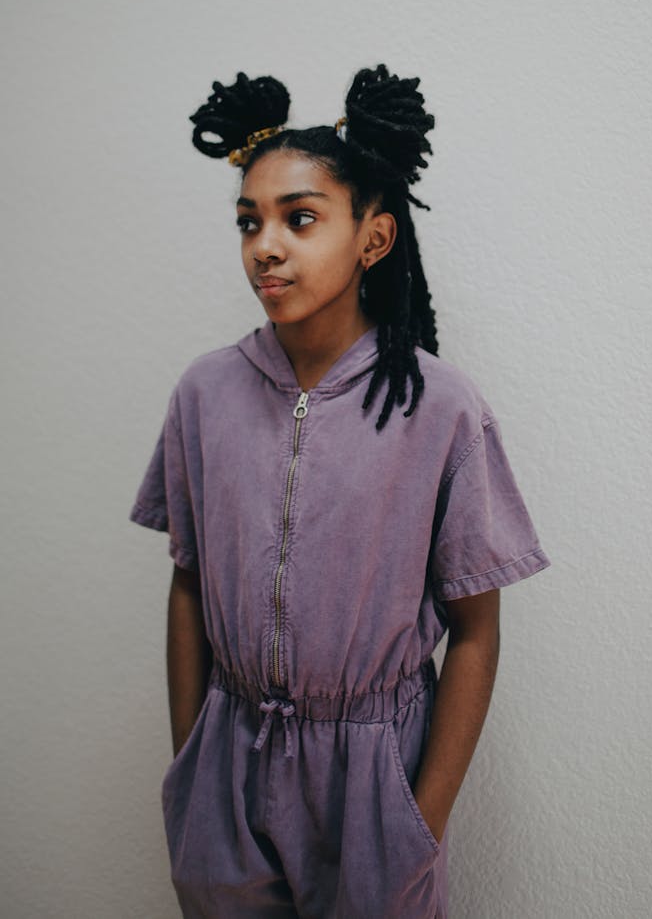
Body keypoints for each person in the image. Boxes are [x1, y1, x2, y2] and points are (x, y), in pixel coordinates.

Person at [131, 64, 550, 918]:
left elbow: (474, 630)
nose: (266, 245)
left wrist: (418, 822)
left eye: (300, 218)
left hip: (374, 777)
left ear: (374, 238)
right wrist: (191, 768)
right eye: (249, 222)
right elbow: (186, 582)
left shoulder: (440, 409)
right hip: (226, 763)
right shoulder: (204, 394)